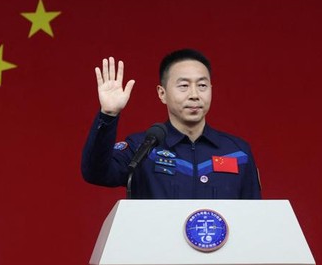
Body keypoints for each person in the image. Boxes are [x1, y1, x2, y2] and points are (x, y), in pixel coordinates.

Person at [81, 49, 261, 199]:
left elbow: (255, 218)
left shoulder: (237, 152)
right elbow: (95, 173)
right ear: (162, 93)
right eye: (183, 86)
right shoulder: (142, 148)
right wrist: (108, 115)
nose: (194, 94)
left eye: (202, 86)